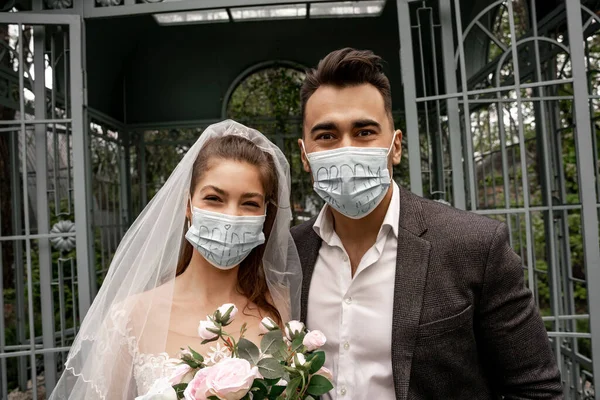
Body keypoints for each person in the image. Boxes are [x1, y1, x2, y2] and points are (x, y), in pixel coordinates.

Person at [291, 48, 563, 399]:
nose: (347, 149)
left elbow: (536, 389)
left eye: (364, 132)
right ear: (304, 155)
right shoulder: (289, 254)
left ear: (396, 146)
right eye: (326, 136)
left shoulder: (474, 246)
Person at [50, 120, 302, 399]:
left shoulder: (277, 308)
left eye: (249, 203)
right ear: (188, 205)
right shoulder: (132, 318)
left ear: (265, 214)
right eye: (214, 199)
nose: (231, 217)